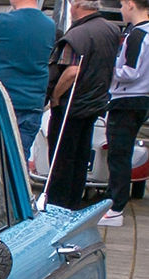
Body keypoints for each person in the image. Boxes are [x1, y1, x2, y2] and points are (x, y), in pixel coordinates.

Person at [45, 0, 122, 209]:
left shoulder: (77, 35)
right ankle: (74, 202)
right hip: (94, 102)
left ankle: (57, 205)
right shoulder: (111, 29)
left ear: (77, 5)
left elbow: (72, 71)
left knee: (61, 158)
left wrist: (55, 96)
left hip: (71, 104)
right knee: (80, 156)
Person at [0, 0, 58, 156]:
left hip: (1, 98)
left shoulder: (4, 21)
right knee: (20, 157)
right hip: (33, 100)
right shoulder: (49, 25)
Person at [103, 0, 149, 224]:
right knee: (121, 152)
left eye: (122, 4)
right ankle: (114, 201)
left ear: (131, 4)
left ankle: (115, 206)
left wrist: (108, 69)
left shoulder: (137, 35)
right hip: (140, 99)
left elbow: (130, 71)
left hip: (127, 99)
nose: (121, 9)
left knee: (118, 154)